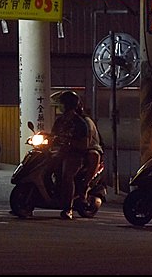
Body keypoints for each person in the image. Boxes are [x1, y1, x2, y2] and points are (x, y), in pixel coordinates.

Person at [52, 90, 90, 220]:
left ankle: (68, 208)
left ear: (67, 104)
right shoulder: (59, 121)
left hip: (74, 156)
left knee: (67, 175)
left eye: (61, 103)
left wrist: (69, 143)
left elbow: (84, 144)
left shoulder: (80, 123)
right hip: (58, 152)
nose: (59, 106)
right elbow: (53, 136)